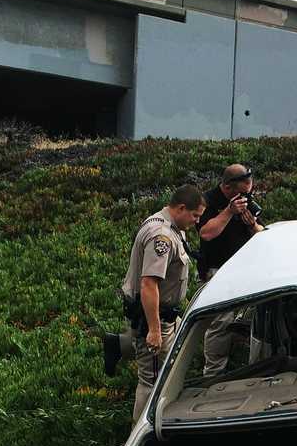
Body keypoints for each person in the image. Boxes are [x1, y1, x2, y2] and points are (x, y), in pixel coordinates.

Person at [103, 185, 206, 421]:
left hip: (164, 314)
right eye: (195, 215)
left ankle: (120, 345)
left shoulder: (167, 224)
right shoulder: (162, 237)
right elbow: (149, 284)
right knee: (153, 382)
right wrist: (154, 330)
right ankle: (141, 434)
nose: (197, 221)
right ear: (181, 208)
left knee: (176, 347)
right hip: (156, 316)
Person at [197, 164, 265, 377]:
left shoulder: (247, 199)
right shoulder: (209, 201)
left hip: (245, 268)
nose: (246, 196)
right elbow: (206, 233)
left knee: (258, 317)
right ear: (227, 187)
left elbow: (263, 233)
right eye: (242, 193)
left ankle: (255, 367)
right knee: (221, 322)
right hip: (218, 270)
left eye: (249, 191)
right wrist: (228, 211)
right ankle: (214, 374)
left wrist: (252, 224)